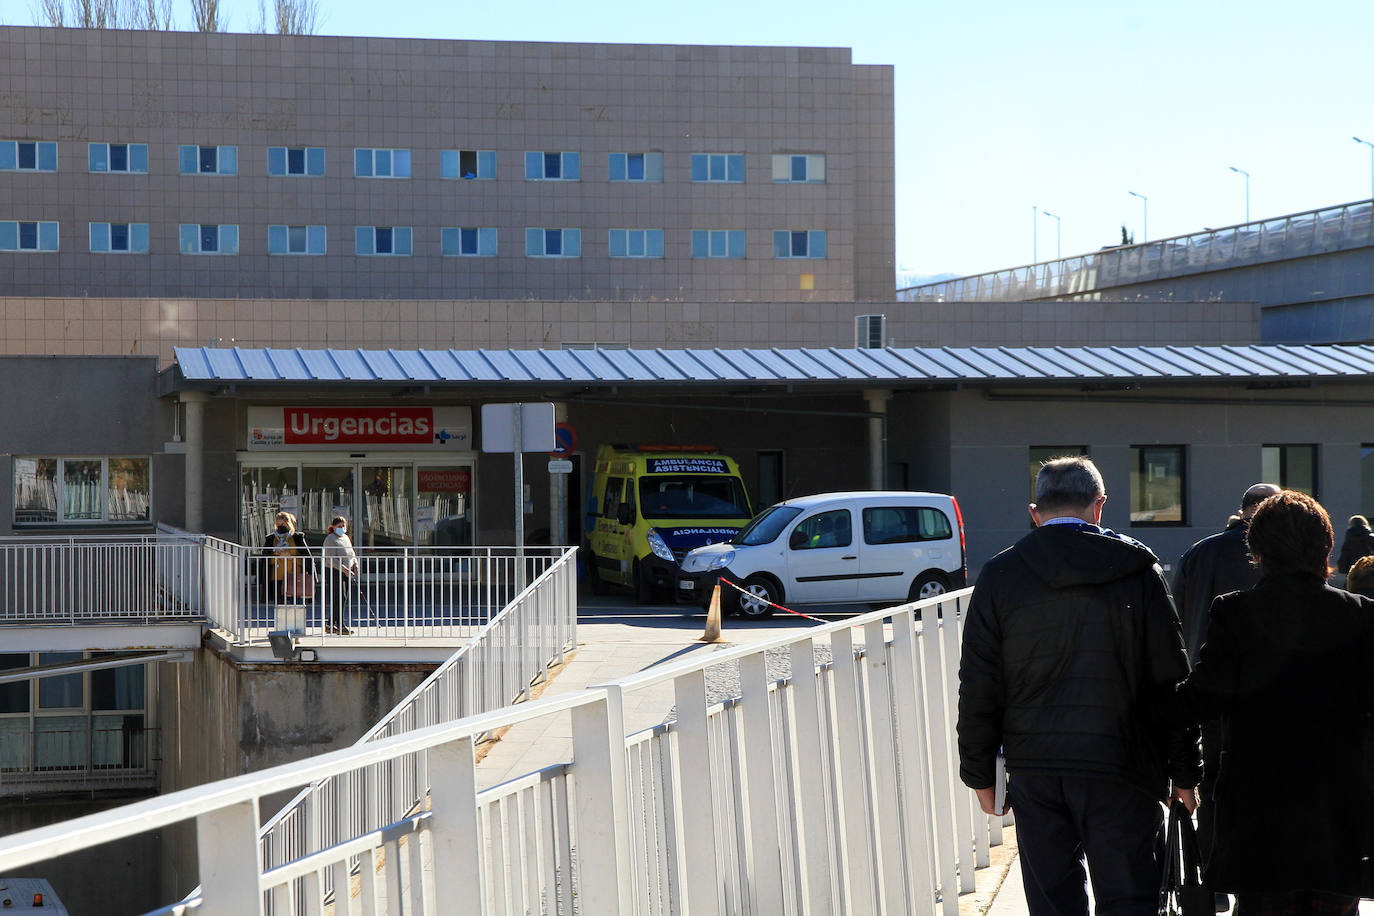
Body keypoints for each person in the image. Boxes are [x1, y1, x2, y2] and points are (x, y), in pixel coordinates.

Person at [958, 456, 1199, 916]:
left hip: (1035, 767)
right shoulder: (1136, 568)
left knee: (1053, 901)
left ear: (1035, 512)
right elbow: (1170, 678)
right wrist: (1185, 771)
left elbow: (979, 684)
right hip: (1123, 765)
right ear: (1099, 506)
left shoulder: (1000, 575)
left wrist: (978, 773)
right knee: (1130, 899)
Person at [1172, 491, 1374, 915]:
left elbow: (1199, 700)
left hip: (1259, 819)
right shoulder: (1361, 616)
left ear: (1258, 550)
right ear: (1326, 546)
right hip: (1340, 817)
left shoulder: (1236, 613)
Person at [1171, 482, 1279, 913]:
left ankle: (1214, 880)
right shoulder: (1278, 556)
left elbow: (1173, 614)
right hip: (1265, 697)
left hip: (1207, 688)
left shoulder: (1200, 553)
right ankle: (1255, 884)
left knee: (1212, 786)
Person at [261, 511, 309, 604]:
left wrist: (290, 556)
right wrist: (276, 554)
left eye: (283, 524)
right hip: (277, 577)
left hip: (295, 577)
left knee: (296, 606)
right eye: (278, 524)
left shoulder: (297, 537)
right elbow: (265, 560)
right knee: (280, 606)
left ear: (289, 523)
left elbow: (306, 558)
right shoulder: (271, 538)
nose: (280, 526)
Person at [321, 515, 358, 635]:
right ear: (333, 527)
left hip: (346, 571)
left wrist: (355, 564)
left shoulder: (346, 537)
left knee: (343, 597)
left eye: (343, 526)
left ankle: (330, 624)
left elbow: (351, 553)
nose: (342, 528)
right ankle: (340, 625)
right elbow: (331, 558)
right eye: (339, 526)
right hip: (334, 571)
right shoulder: (330, 539)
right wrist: (344, 569)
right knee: (339, 597)